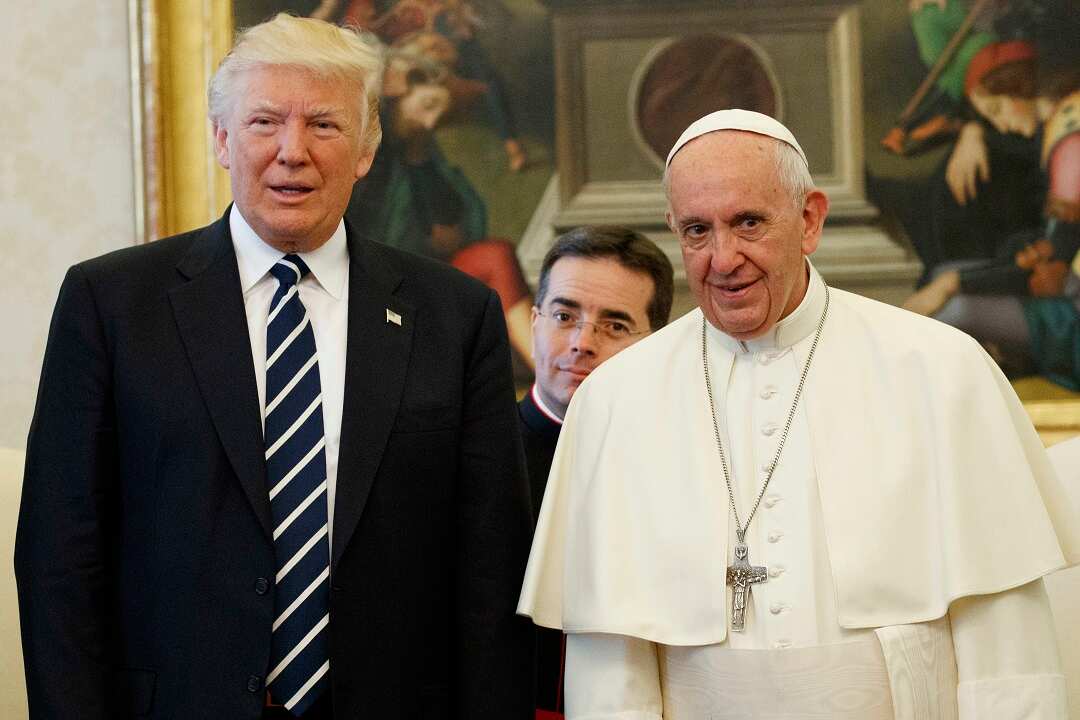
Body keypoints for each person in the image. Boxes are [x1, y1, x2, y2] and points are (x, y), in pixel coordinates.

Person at [15, 14, 533, 719]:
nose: (293, 152)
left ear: (366, 149)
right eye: (264, 122)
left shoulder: (455, 315)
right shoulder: (111, 304)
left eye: (323, 125)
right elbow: (58, 557)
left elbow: (492, 563)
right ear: (223, 140)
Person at [518, 109, 1080, 718]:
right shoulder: (616, 399)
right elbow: (609, 674)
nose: (723, 258)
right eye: (697, 231)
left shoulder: (941, 369)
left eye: (748, 223)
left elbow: (1008, 651)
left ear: (810, 219)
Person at [519, 226, 674, 719]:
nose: (582, 343)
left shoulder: (682, 465)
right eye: (564, 316)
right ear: (534, 322)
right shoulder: (471, 454)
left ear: (656, 344)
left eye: (615, 325)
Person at [903, 40, 1080, 389]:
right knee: (942, 278)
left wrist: (954, 284)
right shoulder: (1058, 128)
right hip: (1066, 289)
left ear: (1023, 89)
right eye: (988, 117)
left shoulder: (1070, 146)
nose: (1001, 124)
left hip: (1073, 313)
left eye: (999, 109)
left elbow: (1053, 264)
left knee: (949, 308)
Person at [345, 50, 535, 367]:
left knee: (496, 254)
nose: (431, 122)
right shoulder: (372, 159)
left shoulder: (422, 149)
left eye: (439, 115)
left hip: (428, 269)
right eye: (428, 106)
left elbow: (467, 209)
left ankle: (542, 368)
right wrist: (425, 240)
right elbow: (374, 233)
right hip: (383, 280)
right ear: (397, 94)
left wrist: (457, 232)